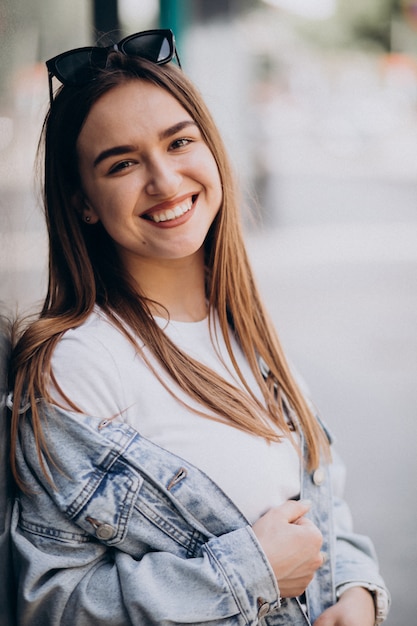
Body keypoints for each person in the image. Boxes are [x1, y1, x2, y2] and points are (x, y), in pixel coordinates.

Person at [9, 29, 390, 625]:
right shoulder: (79, 364)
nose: (164, 181)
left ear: (211, 148)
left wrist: (357, 592)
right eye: (123, 164)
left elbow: (319, 502)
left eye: (178, 142)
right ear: (83, 201)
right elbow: (52, 605)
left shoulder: (244, 326)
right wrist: (248, 571)